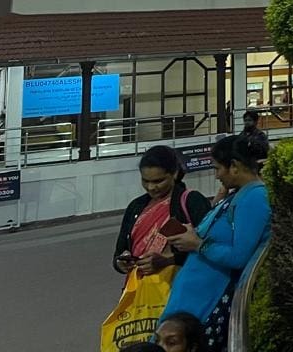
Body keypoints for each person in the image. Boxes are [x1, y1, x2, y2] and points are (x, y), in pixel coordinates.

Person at [161, 133, 272, 352]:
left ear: (234, 166)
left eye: (218, 168)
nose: (217, 175)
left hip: (207, 301)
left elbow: (238, 256)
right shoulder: (239, 195)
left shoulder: (255, 198)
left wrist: (197, 244)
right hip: (196, 296)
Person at [114, 146, 212, 278]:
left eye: (158, 181)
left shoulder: (191, 202)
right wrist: (121, 262)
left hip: (179, 283)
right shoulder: (136, 206)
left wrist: (168, 260)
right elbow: (120, 252)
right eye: (145, 181)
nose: (151, 187)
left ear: (175, 173)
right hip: (138, 285)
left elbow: (209, 248)